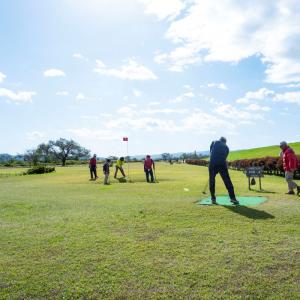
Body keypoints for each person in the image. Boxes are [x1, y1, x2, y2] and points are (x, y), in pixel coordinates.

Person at [209, 137, 239, 205]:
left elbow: (211, 152)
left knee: (212, 181)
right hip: (222, 164)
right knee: (227, 180)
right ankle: (233, 198)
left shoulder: (213, 142)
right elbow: (224, 157)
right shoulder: (227, 147)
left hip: (212, 163)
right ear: (225, 142)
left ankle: (213, 199)